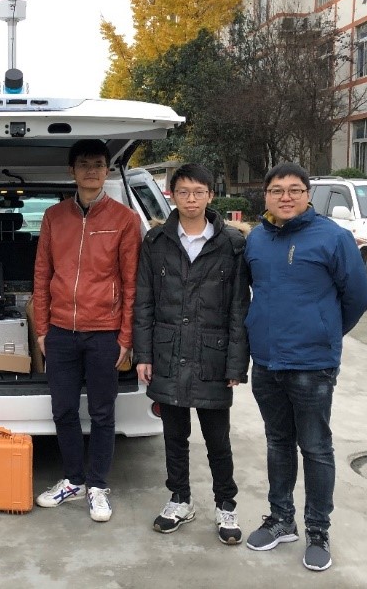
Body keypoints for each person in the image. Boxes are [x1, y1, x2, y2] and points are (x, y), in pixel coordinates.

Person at [244, 162, 367, 572]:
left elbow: (358, 297)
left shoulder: (333, 238)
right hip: (266, 362)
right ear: (266, 196)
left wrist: (325, 332)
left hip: (312, 365)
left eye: (294, 189)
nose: (286, 197)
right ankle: (282, 519)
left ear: (307, 195)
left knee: (315, 447)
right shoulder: (257, 239)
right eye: (277, 190)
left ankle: (318, 530)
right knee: (278, 442)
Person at [133, 163, 250, 545]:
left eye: (199, 192)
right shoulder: (156, 242)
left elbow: (239, 307)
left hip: (212, 357)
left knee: (218, 440)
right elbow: (144, 302)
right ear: (172, 195)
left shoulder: (231, 244)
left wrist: (236, 364)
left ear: (210, 195)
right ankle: (179, 499)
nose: (191, 199)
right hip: (167, 353)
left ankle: (226, 505)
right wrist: (143, 354)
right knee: (174, 437)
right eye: (183, 192)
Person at [32, 138, 141, 522]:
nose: (91, 171)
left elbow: (131, 282)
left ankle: (97, 486)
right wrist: (42, 329)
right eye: (83, 164)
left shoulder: (125, 219)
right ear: (72, 171)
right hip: (60, 331)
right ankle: (73, 481)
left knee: (102, 413)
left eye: (98, 164)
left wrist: (126, 336)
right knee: (63, 410)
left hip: (104, 332)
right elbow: (42, 275)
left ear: (107, 171)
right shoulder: (53, 216)